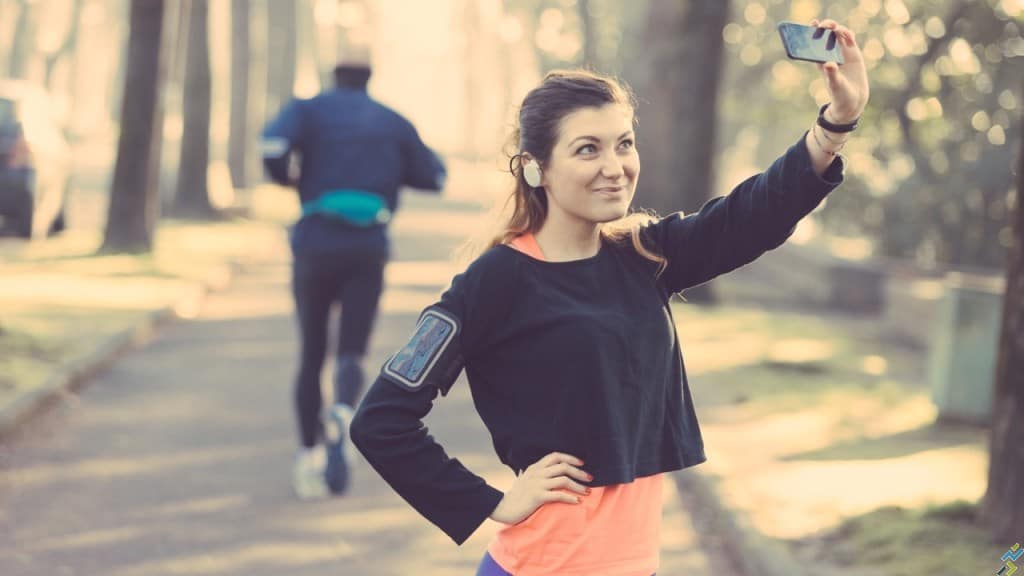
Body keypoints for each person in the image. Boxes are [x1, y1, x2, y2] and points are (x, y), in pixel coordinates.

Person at [350, 18, 868, 575]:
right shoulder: (497, 279)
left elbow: (753, 214)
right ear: (535, 168)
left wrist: (837, 122)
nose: (614, 168)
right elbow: (382, 419)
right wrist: (494, 502)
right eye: (587, 150)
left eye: (623, 144)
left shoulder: (642, 256)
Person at [261, 53, 447, 500]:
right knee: (352, 348)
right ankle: (343, 409)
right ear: (369, 79)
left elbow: (270, 147)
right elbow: (434, 176)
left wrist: (288, 179)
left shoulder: (307, 109)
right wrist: (389, 169)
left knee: (311, 352)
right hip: (368, 246)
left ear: (335, 77)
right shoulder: (391, 119)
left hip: (315, 240)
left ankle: (308, 459)